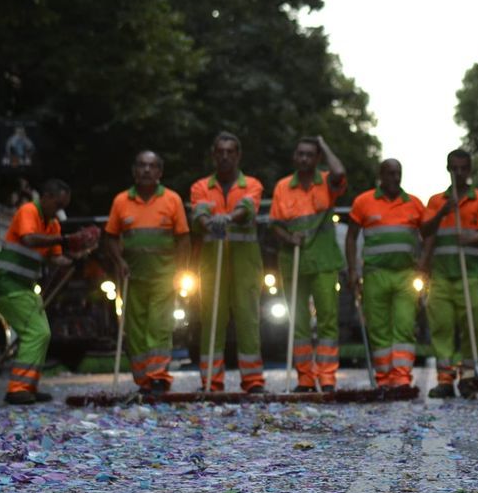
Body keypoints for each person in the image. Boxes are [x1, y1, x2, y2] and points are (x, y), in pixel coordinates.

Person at [0, 179, 97, 404]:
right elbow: (29, 239)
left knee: (43, 334)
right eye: (58, 204)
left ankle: (28, 386)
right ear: (46, 197)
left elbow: (55, 258)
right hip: (8, 285)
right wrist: (66, 240)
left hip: (26, 287)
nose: (60, 210)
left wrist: (78, 256)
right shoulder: (28, 211)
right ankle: (18, 388)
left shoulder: (52, 225)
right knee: (36, 333)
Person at [103, 151, 190, 396]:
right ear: (134, 171)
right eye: (141, 165)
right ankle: (143, 379)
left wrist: (182, 268)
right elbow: (110, 237)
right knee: (135, 327)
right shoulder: (121, 201)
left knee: (159, 325)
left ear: (160, 172)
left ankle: (158, 376)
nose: (146, 170)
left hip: (164, 274)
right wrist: (118, 261)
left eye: (152, 166)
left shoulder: (172, 200)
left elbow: (183, 238)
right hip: (132, 275)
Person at [189, 131, 266, 393]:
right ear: (213, 155)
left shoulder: (252, 184)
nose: (224, 157)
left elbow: (248, 207)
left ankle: (253, 381)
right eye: (219, 152)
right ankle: (211, 381)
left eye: (229, 152)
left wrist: (230, 217)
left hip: (246, 264)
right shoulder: (201, 187)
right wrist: (207, 221)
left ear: (238, 155)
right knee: (211, 320)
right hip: (212, 265)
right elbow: (198, 211)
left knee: (248, 320)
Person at [270, 136, 347, 392]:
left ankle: (326, 377)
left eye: (310, 154)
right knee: (299, 323)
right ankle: (304, 378)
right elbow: (275, 225)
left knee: (327, 320)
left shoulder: (327, 182)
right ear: (295, 157)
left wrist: (324, 145)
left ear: (317, 159)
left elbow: (340, 171)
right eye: (300, 154)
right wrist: (290, 237)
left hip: (323, 261)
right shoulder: (282, 187)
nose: (304, 158)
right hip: (293, 262)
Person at [419, 149, 478, 399]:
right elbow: (426, 230)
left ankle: (468, 377)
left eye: (463, 168)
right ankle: (445, 379)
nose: (459, 173)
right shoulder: (435, 201)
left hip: (471, 275)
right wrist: (444, 211)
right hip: (442, 275)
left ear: (470, 170)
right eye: (454, 169)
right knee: (441, 326)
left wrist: (471, 238)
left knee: (473, 322)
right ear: (448, 169)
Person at [346, 158, 425, 387]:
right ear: (380, 175)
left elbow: (429, 234)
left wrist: (424, 261)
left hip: (405, 275)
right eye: (390, 173)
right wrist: (352, 269)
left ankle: (401, 378)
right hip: (374, 274)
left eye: (398, 173)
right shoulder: (363, 202)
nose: (395, 178)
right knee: (378, 328)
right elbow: (351, 236)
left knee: (405, 325)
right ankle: (383, 378)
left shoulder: (414, 204)